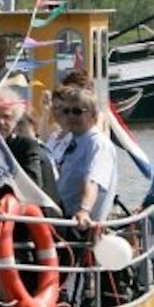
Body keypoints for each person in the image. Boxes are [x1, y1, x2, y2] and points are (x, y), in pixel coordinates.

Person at [53, 86, 118, 230]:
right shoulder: (72, 140)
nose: (70, 116)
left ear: (93, 115)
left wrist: (84, 210)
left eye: (77, 111)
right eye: (66, 111)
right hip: (63, 218)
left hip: (82, 226)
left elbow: (93, 180)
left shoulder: (98, 144)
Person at [0, 87, 60, 207]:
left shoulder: (28, 146)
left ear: (15, 120)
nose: (0, 122)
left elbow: (31, 185)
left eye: (6, 117)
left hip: (33, 217)